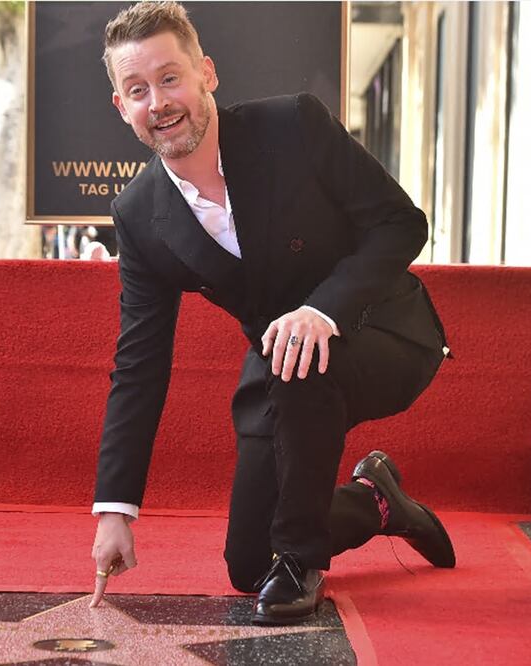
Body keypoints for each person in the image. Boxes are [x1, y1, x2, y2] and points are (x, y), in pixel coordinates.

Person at [90, 1, 454, 626]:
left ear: (207, 73)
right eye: (138, 89)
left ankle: (304, 560)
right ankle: (376, 505)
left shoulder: (293, 126)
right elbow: (140, 364)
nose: (160, 101)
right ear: (122, 106)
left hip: (384, 332)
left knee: (290, 540)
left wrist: (324, 308)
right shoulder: (138, 214)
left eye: (170, 77)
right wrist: (115, 510)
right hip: (282, 367)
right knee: (249, 561)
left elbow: (402, 224)